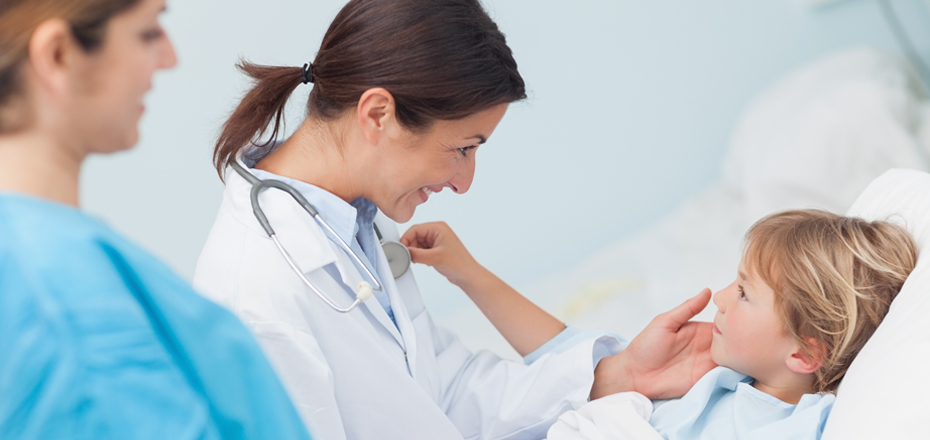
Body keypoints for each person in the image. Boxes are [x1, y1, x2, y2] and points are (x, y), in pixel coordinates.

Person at [193, 0, 715, 439]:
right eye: (462, 148)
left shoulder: (353, 217)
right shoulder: (258, 293)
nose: (464, 183)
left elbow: (445, 387)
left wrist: (621, 375)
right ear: (377, 115)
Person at [0, 0, 311, 438]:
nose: (170, 58)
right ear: (59, 56)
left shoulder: (44, 259)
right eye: (148, 33)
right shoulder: (64, 308)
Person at [401, 210, 917, 440]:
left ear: (803, 355)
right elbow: (568, 358)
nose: (718, 296)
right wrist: (466, 272)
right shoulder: (711, 376)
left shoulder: (801, 428)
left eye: (743, 292)